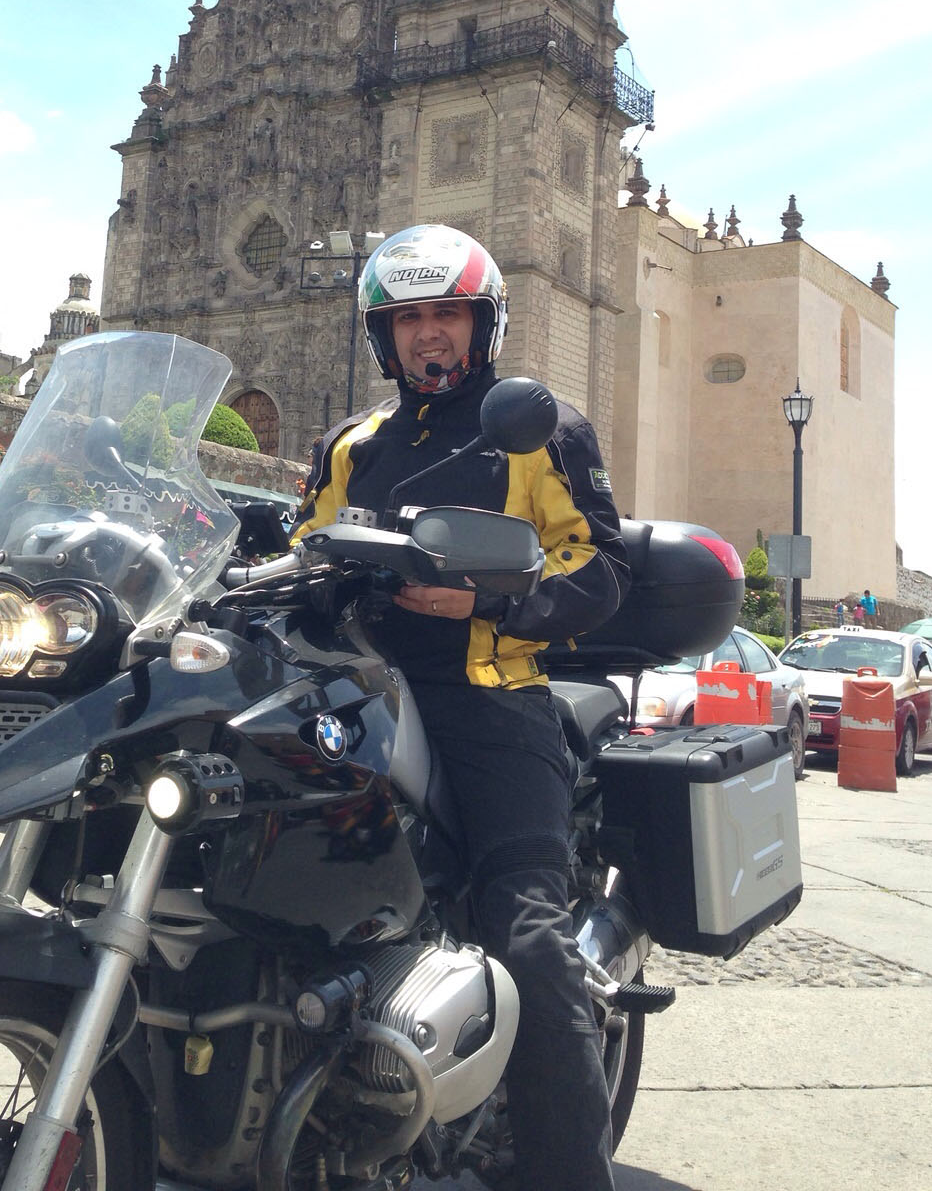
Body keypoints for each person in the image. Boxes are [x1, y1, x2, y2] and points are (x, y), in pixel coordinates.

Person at [292, 224, 630, 1191]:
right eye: (407, 321)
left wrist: (495, 601)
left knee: (528, 934)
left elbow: (599, 566)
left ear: (484, 325)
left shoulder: (539, 426)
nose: (428, 337)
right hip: (361, 694)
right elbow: (308, 545)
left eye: (447, 315)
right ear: (381, 337)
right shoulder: (352, 445)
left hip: (490, 699)